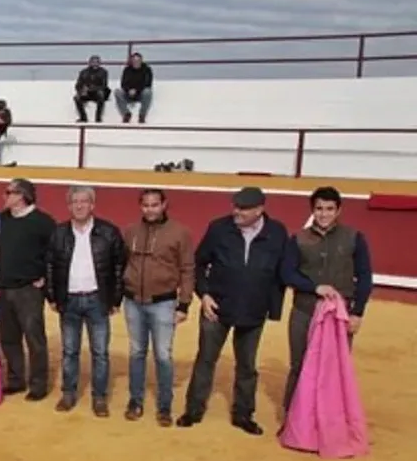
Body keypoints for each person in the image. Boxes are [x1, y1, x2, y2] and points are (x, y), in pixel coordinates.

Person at [179, 187, 288, 435]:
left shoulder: (277, 233)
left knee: (247, 365)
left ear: (260, 210)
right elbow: (199, 262)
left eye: (243, 208)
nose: (236, 211)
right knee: (206, 360)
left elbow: (281, 272)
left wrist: (273, 308)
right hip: (217, 307)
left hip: (253, 309)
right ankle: (193, 410)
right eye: (235, 206)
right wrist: (204, 295)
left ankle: (243, 415)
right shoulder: (219, 228)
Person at [279, 186, 374, 411]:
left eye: (329, 209)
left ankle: (328, 420)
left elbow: (364, 276)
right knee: (300, 365)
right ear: (313, 210)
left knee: (333, 368)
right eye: (319, 209)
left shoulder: (354, 238)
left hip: (338, 314)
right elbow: (287, 273)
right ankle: (293, 418)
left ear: (338, 210)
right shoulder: (298, 239)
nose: (324, 214)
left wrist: (357, 313)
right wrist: (314, 287)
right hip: (305, 310)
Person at [44, 185, 126, 416]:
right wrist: (51, 295)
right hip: (68, 299)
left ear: (92, 205)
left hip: (97, 299)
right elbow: (49, 265)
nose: (79, 206)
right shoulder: (59, 233)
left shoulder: (109, 232)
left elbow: (119, 267)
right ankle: (68, 393)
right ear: (69, 206)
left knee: (100, 352)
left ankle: (99, 397)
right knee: (70, 351)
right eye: (74, 202)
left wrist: (115, 299)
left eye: (84, 201)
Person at [121, 189, 194, 425]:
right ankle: (136, 401)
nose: (150, 209)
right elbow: (124, 262)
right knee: (136, 353)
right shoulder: (131, 231)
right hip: (133, 301)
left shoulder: (180, 232)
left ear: (164, 205)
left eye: (154, 205)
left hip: (163, 302)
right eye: (145, 205)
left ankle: (164, 406)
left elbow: (187, 269)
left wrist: (183, 304)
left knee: (163, 355)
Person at [0, 178, 55, 399]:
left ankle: (38, 384)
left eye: (9, 192)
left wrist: (46, 280)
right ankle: (15, 380)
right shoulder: (2, 220)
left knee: (34, 338)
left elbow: (55, 254)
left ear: (22, 196)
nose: (4, 196)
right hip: (5, 286)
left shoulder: (43, 222)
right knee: (9, 338)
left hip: (29, 290)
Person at [115, 53, 154, 124]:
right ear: (132, 61)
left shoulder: (147, 70)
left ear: (141, 60)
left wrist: (136, 90)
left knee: (148, 92)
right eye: (134, 60)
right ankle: (126, 114)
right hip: (128, 93)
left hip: (141, 93)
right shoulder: (127, 70)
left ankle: (142, 115)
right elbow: (123, 83)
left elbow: (148, 83)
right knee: (118, 92)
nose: (136, 62)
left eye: (138, 60)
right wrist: (129, 90)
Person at [74, 56, 110, 123]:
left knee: (101, 95)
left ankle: (98, 118)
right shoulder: (83, 72)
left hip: (97, 93)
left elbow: (104, 85)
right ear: (89, 63)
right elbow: (78, 84)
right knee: (76, 98)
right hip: (86, 93)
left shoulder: (103, 72)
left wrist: (90, 89)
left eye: (97, 62)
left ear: (99, 63)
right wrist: (81, 90)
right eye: (93, 62)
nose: (95, 64)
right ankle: (83, 117)